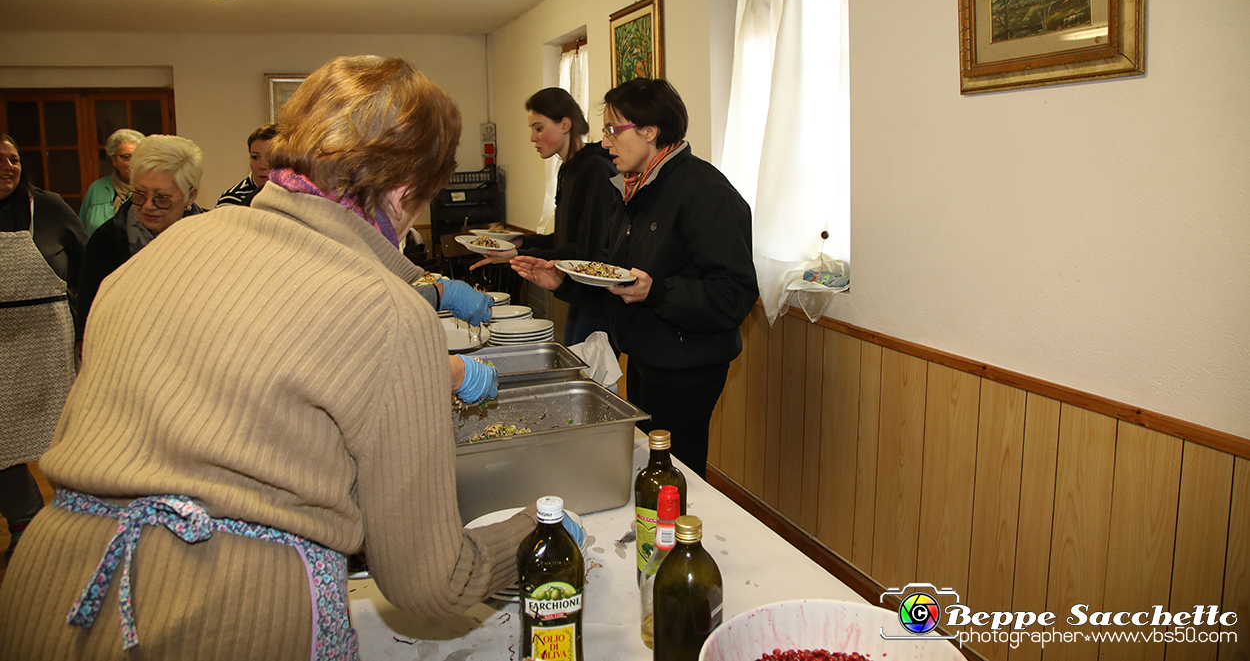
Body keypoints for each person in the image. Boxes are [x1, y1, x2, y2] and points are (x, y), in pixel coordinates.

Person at [0, 56, 538, 661]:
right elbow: (431, 583)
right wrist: (535, 533)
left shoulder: (169, 244)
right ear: (404, 190)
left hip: (46, 585)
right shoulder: (388, 310)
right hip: (221, 610)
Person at [512, 78, 758, 479]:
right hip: (645, 355)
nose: (605, 143)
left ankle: (678, 539)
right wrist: (563, 282)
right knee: (648, 466)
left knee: (676, 472)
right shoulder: (636, 187)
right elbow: (614, 275)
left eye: (613, 130)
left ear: (649, 131)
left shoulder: (704, 191)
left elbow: (734, 294)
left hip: (687, 363)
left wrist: (657, 291)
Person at [471, 87, 620, 344]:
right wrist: (517, 243)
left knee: (589, 376)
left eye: (538, 128)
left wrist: (518, 254)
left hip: (598, 299)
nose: (532, 137)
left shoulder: (595, 169)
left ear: (565, 124)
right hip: (577, 293)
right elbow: (562, 241)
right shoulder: (568, 169)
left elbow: (586, 252)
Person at [0, 133, 87, 563]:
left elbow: (87, 265)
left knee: (63, 433)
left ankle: (76, 521)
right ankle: (24, 521)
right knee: (2, 442)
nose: (7, 168)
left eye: (13, 159)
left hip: (46, 336)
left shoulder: (46, 206)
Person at [76, 134, 207, 332]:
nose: (148, 206)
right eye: (140, 194)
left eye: (162, 198)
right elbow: (90, 319)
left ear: (191, 196)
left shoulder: (212, 235)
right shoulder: (107, 240)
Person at [78, 128, 145, 235]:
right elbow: (81, 232)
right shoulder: (96, 189)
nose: (133, 162)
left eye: (138, 156)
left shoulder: (151, 189)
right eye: (126, 157)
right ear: (114, 160)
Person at [217, 123, 278, 207]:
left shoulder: (295, 195)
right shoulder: (232, 199)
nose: (262, 166)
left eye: (270, 157)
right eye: (255, 157)